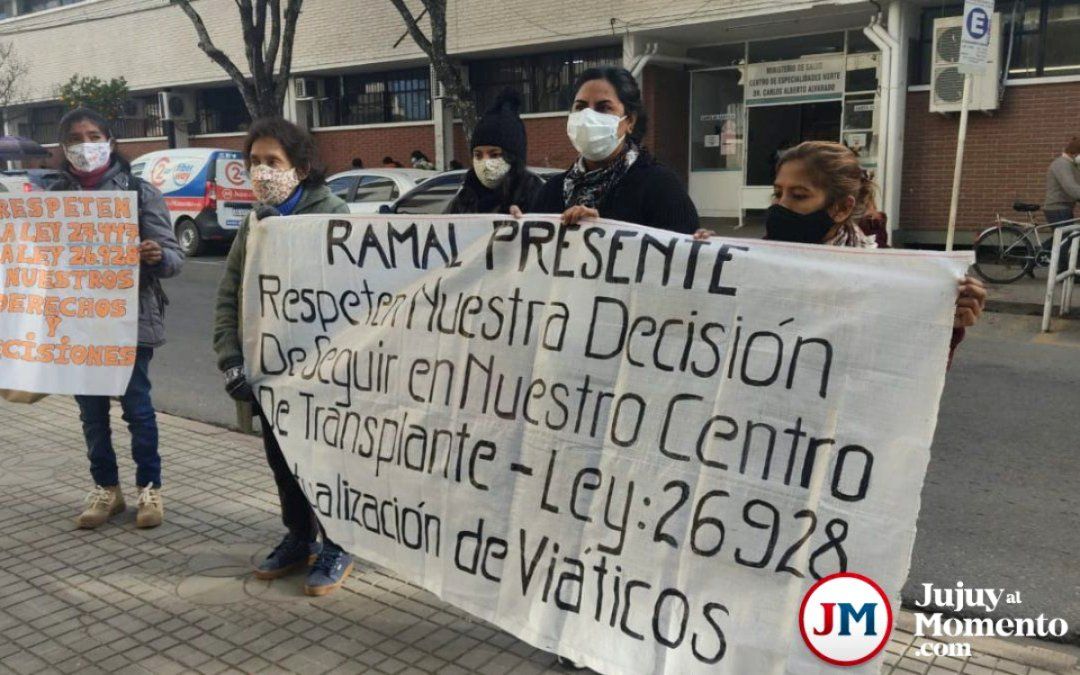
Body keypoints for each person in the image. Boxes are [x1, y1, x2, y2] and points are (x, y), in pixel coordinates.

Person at [212, 117, 355, 597]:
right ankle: (299, 536)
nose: (262, 171)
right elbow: (229, 295)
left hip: (325, 375)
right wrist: (231, 359)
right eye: (254, 162)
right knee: (282, 460)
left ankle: (339, 542)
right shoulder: (253, 223)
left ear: (301, 167)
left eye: (273, 161)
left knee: (328, 462)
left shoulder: (334, 215)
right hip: (271, 373)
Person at [48, 108, 184, 530]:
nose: (86, 145)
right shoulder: (50, 198)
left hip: (129, 320)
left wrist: (157, 256)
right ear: (64, 147)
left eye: (94, 136)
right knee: (91, 414)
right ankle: (107, 489)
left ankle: (149, 488)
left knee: (137, 409)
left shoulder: (140, 193)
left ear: (110, 141)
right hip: (77, 324)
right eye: (75, 139)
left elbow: (175, 258)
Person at [740, 141, 985, 355]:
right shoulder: (754, 261)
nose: (780, 205)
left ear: (842, 208)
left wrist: (947, 327)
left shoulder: (890, 275)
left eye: (799, 195)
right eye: (778, 193)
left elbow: (903, 368)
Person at [525, 67, 698, 234]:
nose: (588, 117)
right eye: (580, 107)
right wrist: (516, 227)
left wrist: (604, 232)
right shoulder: (552, 191)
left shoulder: (661, 188)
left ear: (630, 121)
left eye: (603, 108)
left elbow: (682, 249)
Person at [447, 89, 543, 215]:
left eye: (494, 155)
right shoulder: (464, 198)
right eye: (478, 155)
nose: (485, 163)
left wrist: (524, 221)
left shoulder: (538, 196)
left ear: (513, 157)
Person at [1044, 137, 1080, 226]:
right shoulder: (1062, 164)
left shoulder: (1072, 164)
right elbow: (1071, 188)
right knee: (1067, 234)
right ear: (1076, 153)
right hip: (1058, 209)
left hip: (1064, 208)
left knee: (1069, 234)